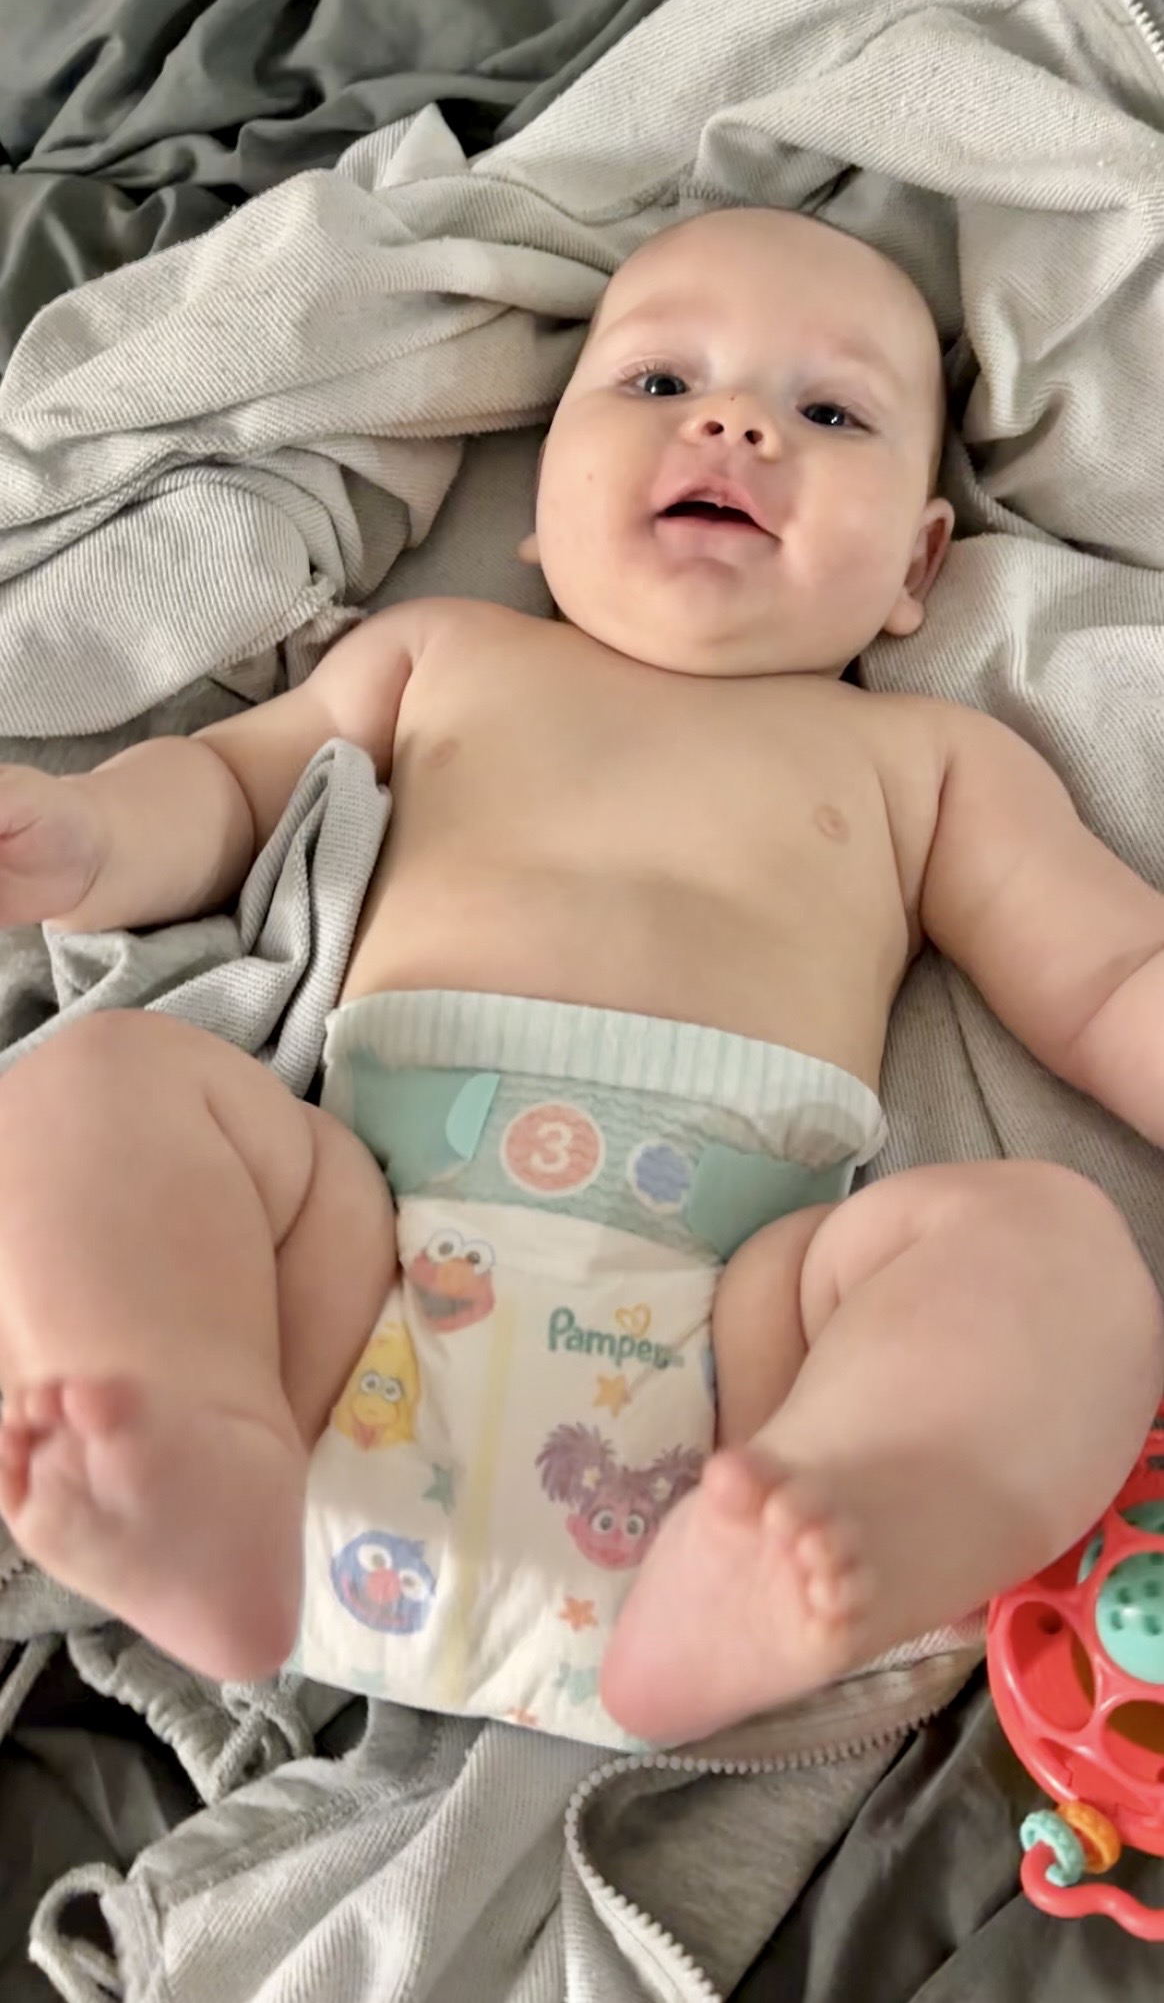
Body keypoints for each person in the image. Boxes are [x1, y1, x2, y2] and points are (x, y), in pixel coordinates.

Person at [0, 207, 1160, 1749]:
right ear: (542, 498)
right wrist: (88, 838)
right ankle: (189, 1437)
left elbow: (1111, 976)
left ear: (916, 564)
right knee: (98, 1081)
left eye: (829, 412)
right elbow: (226, 789)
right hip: (350, 1294)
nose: (735, 424)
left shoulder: (929, 760)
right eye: (659, 384)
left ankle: (848, 1518)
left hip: (742, 1372)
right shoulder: (442, 654)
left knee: (1059, 1255)